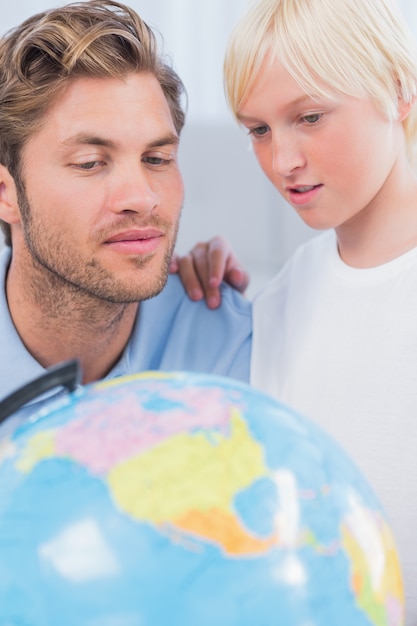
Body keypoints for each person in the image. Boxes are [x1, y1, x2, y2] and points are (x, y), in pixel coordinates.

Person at [173, 0, 417, 621]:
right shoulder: (280, 302)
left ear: (398, 89)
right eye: (258, 129)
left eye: (309, 117)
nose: (283, 162)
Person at [0, 0, 251, 417]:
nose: (141, 198)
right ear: (6, 194)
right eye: (90, 163)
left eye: (156, 159)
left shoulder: (234, 347)